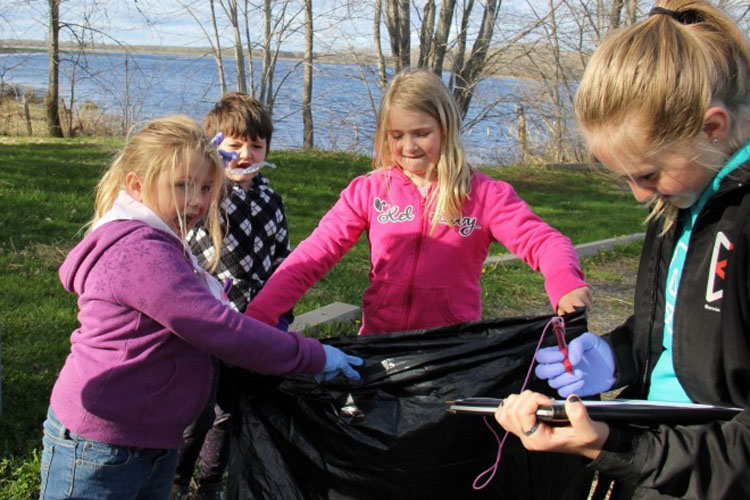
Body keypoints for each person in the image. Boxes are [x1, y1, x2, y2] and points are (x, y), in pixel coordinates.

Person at [494, 1, 750, 498]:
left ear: (712, 127)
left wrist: (618, 447)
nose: (638, 194)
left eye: (648, 174)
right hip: (662, 465)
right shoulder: (683, 196)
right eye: (626, 177)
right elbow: (680, 331)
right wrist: (615, 357)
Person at [39, 115, 362, 500]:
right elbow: (220, 329)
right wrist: (313, 356)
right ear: (136, 185)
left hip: (148, 438)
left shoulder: (161, 237)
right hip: (102, 446)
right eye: (182, 186)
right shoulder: (140, 252)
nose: (196, 201)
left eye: (207, 188)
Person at [244, 69, 592, 335]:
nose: (408, 146)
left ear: (446, 129)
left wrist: (566, 283)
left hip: (451, 349)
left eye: (421, 133)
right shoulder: (369, 192)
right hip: (381, 345)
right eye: (396, 136)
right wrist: (260, 314)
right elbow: (312, 256)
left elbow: (545, 242)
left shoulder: (486, 195)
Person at [170, 93, 288, 500]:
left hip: (252, 325)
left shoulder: (272, 202)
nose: (245, 154)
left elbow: (282, 263)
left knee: (226, 412)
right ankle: (174, 477)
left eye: (255, 145)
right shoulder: (204, 198)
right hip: (204, 325)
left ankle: (209, 482)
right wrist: (205, 172)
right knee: (196, 411)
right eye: (233, 145)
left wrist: (281, 317)